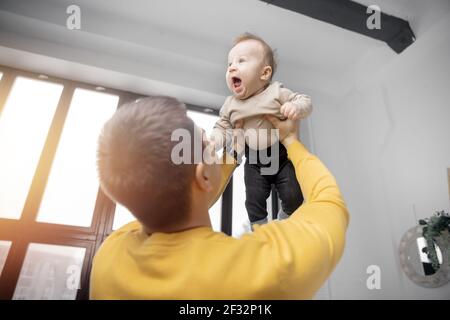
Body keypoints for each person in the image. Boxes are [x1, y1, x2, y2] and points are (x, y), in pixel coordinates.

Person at [90, 95, 349, 299]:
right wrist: (291, 140)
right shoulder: (261, 270)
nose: (214, 146)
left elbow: (185, 193)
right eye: (207, 144)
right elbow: (329, 202)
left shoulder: (110, 254)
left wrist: (233, 154)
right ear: (203, 176)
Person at [212, 33, 313, 227]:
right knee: (253, 201)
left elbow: (305, 101)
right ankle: (260, 230)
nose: (232, 66)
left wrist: (296, 108)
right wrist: (213, 142)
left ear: (264, 73)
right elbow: (222, 127)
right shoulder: (231, 104)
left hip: (281, 157)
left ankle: (285, 218)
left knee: (294, 195)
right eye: (229, 64)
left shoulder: (276, 92)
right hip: (255, 161)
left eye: (241, 61)